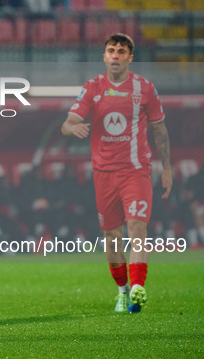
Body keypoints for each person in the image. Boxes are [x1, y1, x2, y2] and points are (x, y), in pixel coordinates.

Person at [61, 33, 172, 314]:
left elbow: (159, 129)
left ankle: (137, 288)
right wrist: (73, 127)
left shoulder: (145, 89)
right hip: (104, 174)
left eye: (121, 51)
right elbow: (68, 122)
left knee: (137, 228)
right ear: (104, 56)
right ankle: (121, 290)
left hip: (136, 171)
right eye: (111, 51)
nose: (115, 55)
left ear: (129, 58)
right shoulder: (93, 87)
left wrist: (167, 168)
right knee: (112, 237)